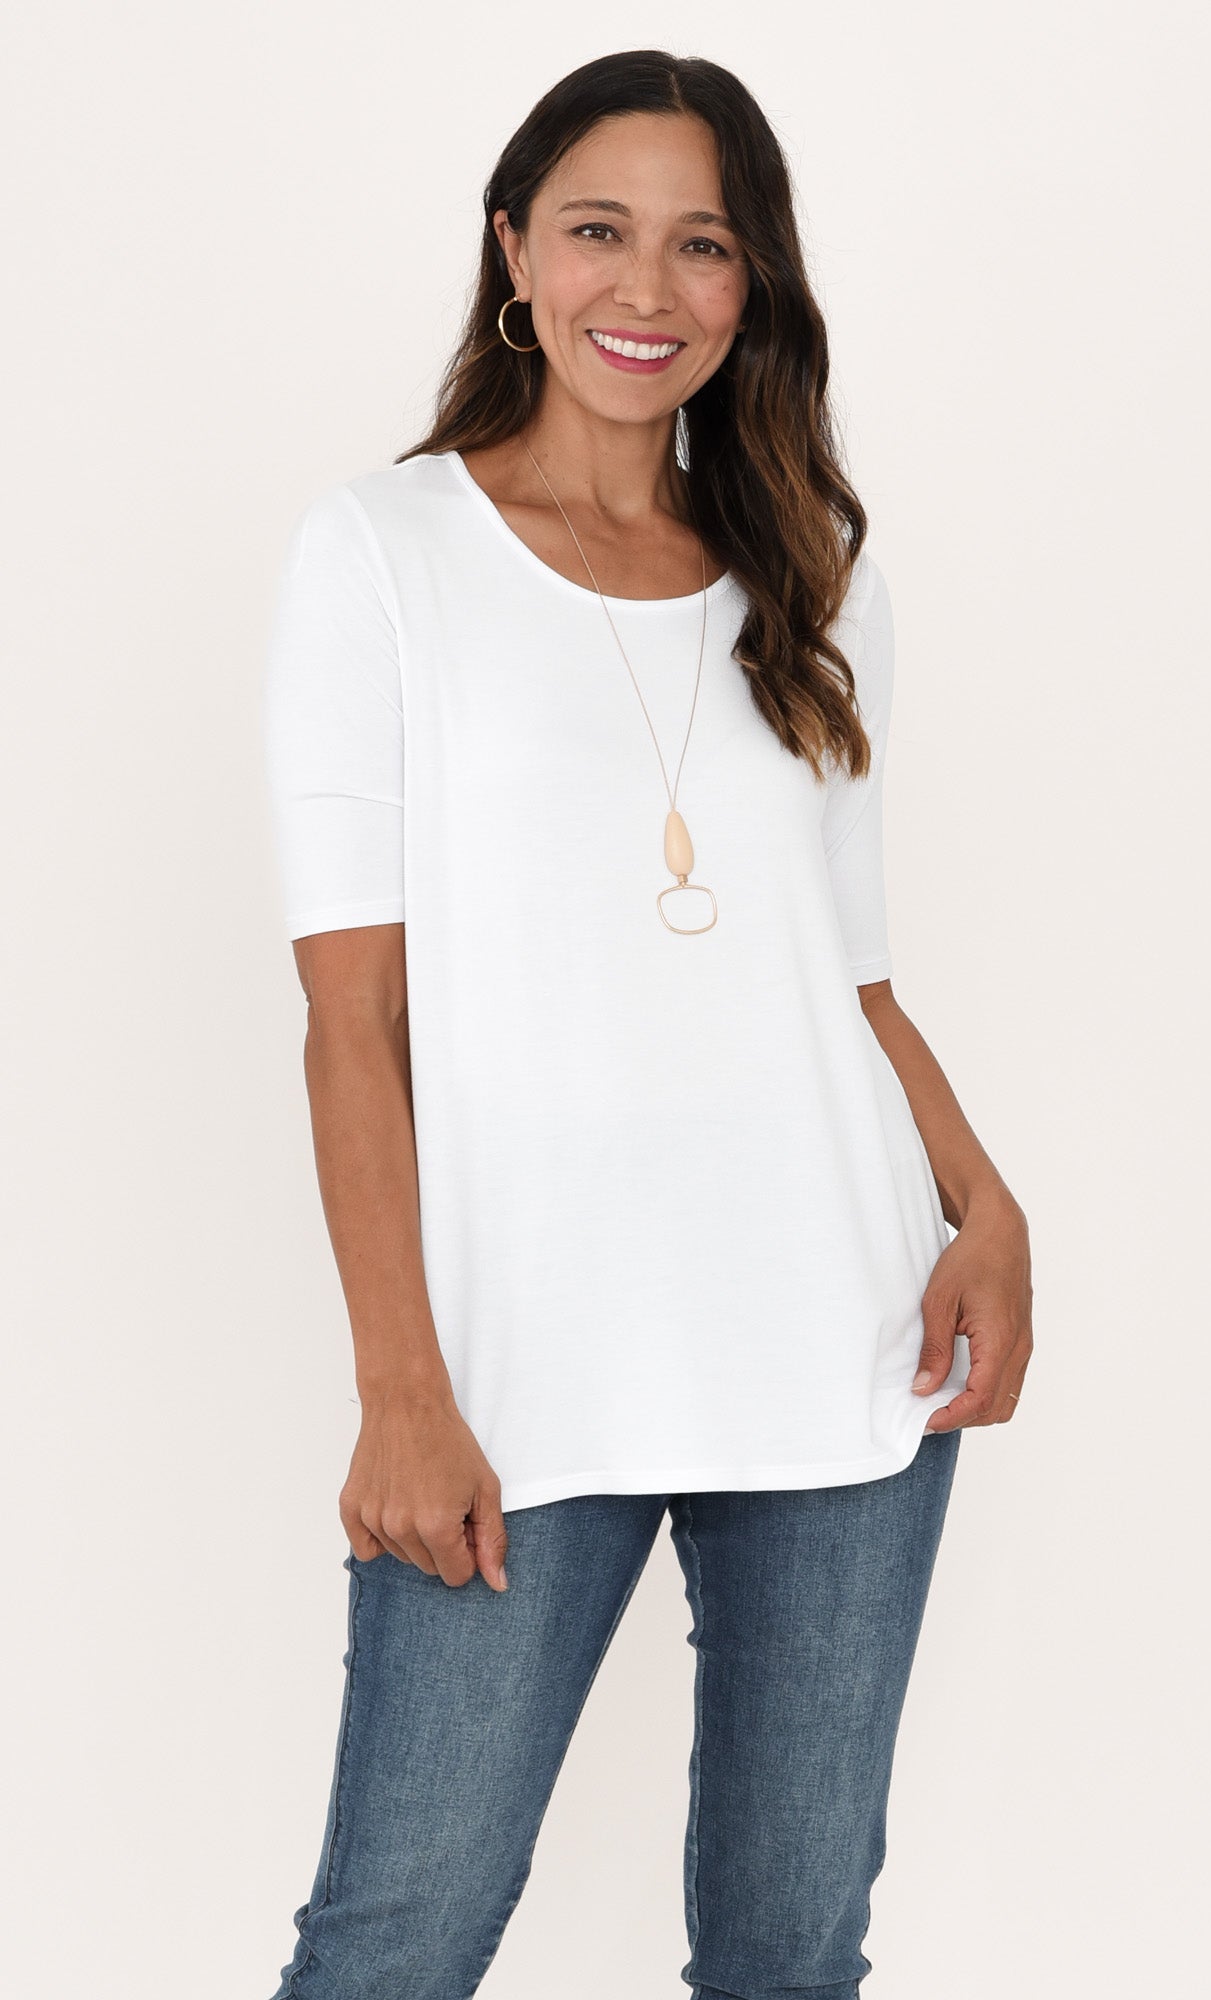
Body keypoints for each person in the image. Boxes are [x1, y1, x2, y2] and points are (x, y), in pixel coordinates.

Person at [260, 48, 1033, 2000]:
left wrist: (983, 1201)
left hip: (839, 1339)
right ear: (514, 250)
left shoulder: (806, 576)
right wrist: (399, 1387)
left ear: (750, 283)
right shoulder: (382, 556)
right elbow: (351, 1020)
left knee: (791, 1953)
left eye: (703, 244)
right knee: (394, 1941)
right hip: (519, 1362)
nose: (647, 285)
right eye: (598, 228)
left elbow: (847, 977)